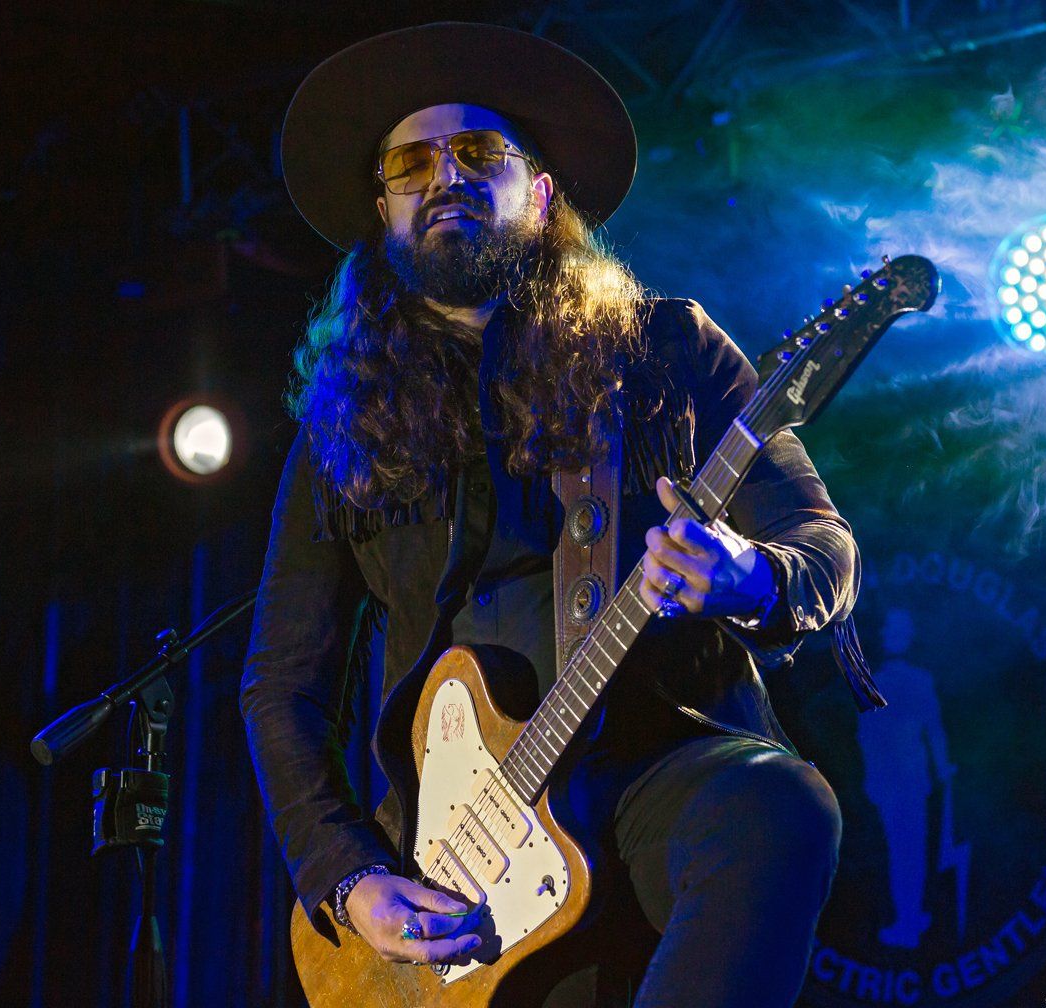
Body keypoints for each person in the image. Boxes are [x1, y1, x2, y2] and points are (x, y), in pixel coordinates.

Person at [241, 22, 862, 1008]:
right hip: (468, 860)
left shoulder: (665, 351)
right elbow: (283, 686)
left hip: (659, 770)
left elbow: (823, 546)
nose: (444, 177)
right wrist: (347, 876)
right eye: (410, 164)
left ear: (539, 193)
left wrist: (747, 577)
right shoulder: (340, 432)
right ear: (384, 212)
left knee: (779, 803)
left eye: (477, 152)